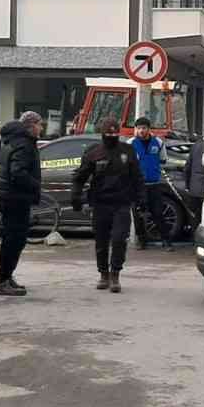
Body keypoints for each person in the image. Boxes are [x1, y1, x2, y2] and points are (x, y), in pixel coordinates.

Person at [73, 118, 146, 292]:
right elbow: (80, 176)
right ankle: (103, 274)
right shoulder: (94, 152)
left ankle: (115, 274)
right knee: (101, 241)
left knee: (119, 239)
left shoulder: (127, 151)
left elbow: (137, 177)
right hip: (100, 203)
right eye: (108, 133)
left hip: (122, 203)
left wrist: (142, 199)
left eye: (115, 133)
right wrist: (76, 196)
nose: (112, 136)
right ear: (102, 134)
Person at [0, 110, 45, 297]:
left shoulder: (12, 140)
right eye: (39, 124)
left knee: (13, 239)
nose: (41, 128)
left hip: (11, 197)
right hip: (16, 198)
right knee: (14, 240)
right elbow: (18, 172)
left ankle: (6, 276)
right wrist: (35, 185)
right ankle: (3, 280)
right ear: (31, 125)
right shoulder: (23, 144)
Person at [130, 117, 173, 250]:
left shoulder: (158, 143)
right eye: (139, 128)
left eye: (144, 128)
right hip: (137, 186)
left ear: (149, 129)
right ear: (135, 129)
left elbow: (163, 160)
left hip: (154, 185)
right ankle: (142, 241)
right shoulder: (130, 144)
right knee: (139, 215)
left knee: (158, 213)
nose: (141, 130)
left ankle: (166, 241)